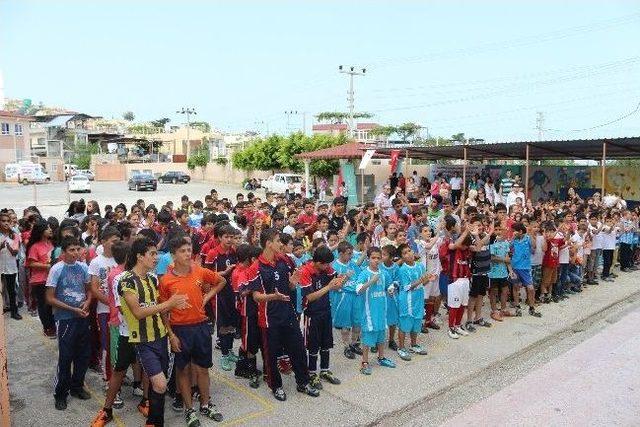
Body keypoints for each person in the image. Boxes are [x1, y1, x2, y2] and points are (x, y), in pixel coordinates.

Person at [118, 237, 188, 427]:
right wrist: (169, 303)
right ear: (140, 257)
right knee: (160, 384)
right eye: (152, 254)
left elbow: (161, 310)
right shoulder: (127, 281)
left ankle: (155, 421)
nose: (156, 258)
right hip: (143, 340)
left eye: (156, 253)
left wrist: (171, 334)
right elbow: (138, 312)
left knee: (160, 385)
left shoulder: (152, 279)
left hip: (161, 338)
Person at [160, 236, 226, 426]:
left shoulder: (199, 270)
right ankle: (189, 409)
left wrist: (206, 298)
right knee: (183, 371)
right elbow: (163, 310)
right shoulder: (166, 281)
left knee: (203, 369)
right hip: (180, 330)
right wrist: (171, 335)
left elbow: (221, 281)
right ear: (173, 255)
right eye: (183, 251)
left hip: (200, 326)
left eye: (189, 250)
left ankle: (205, 404)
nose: (188, 254)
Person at [253, 228, 319, 401]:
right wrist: (272, 297)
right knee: (271, 354)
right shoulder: (257, 266)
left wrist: (292, 283)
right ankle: (276, 386)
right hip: (269, 319)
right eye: (277, 241)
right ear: (268, 243)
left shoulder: (285, 260)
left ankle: (303, 382)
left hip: (288, 314)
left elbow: (289, 287)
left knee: (297, 349)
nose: (281, 244)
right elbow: (256, 296)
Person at [45, 236, 92, 410]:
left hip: (82, 317)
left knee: (83, 355)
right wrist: (72, 310)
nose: (75, 253)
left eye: (77, 249)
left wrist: (87, 303)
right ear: (63, 252)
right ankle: (61, 393)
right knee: (65, 357)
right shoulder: (56, 269)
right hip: (65, 319)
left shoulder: (83, 267)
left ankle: (77, 386)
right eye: (71, 250)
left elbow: (89, 291)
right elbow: (49, 298)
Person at [298, 246, 344, 389]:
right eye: (325, 264)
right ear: (317, 262)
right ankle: (312, 373)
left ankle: (324, 370)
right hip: (312, 314)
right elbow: (310, 297)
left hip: (325, 310)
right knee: (313, 345)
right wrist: (329, 287)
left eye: (329, 264)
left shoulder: (326, 268)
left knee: (326, 343)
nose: (328, 267)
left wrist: (341, 281)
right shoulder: (305, 271)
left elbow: (336, 284)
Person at [356, 246, 397, 375]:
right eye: (373, 258)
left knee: (381, 336)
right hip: (369, 313)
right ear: (368, 259)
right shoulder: (364, 273)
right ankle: (365, 362)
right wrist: (371, 282)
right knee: (368, 338)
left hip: (381, 311)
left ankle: (381, 357)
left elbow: (389, 286)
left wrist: (391, 290)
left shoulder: (383, 273)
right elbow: (358, 290)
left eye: (379, 258)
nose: (376, 260)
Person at [396, 243, 430, 360]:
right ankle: (401, 347)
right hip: (407, 300)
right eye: (405, 253)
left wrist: (427, 279)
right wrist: (420, 280)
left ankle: (413, 344)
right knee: (405, 323)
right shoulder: (403, 270)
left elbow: (424, 283)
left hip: (418, 299)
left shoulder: (420, 266)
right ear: (402, 257)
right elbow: (406, 287)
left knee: (416, 321)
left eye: (409, 251)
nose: (409, 254)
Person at [0, 211, 22, 319]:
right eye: (3, 221)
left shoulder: (15, 235)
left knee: (11, 289)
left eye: (8, 221)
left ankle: (14, 311)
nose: (6, 223)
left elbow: (15, 252)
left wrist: (8, 247)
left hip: (10, 266)